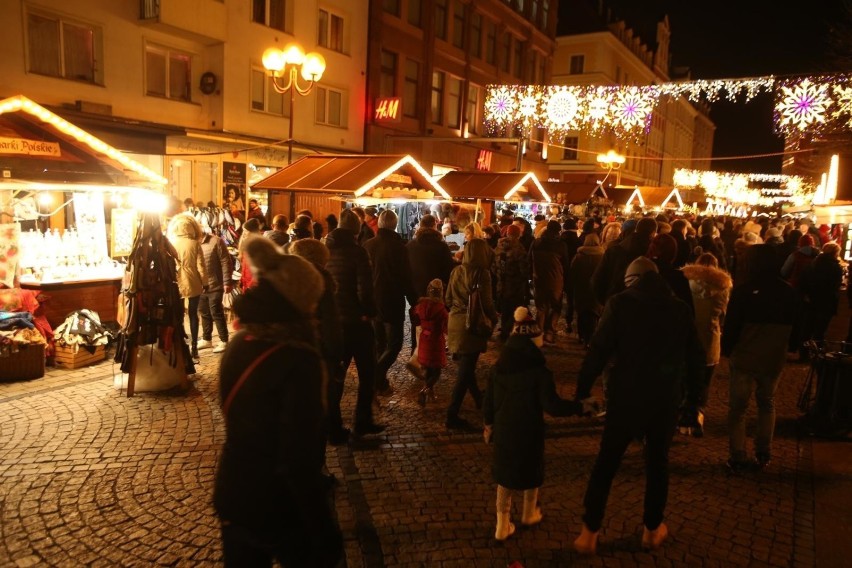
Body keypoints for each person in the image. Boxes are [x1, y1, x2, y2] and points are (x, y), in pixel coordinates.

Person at [214, 238, 343, 567]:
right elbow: (298, 458)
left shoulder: (239, 342)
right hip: (279, 505)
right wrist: (324, 528)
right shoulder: (299, 359)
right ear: (300, 303)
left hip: (235, 492)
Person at [573, 257, 704, 555]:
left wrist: (582, 391)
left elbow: (598, 349)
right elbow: (696, 359)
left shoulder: (620, 304)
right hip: (664, 398)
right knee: (657, 464)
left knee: (606, 463)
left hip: (626, 395)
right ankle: (651, 529)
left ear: (631, 280)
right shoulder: (680, 309)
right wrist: (693, 402)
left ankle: (589, 532)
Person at [483, 306, 580, 541]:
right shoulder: (539, 372)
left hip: (505, 430)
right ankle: (528, 513)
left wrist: (489, 425)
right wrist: (579, 407)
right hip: (529, 431)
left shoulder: (498, 368)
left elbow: (488, 402)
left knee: (505, 478)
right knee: (530, 471)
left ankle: (502, 525)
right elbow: (552, 406)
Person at [722, 244, 799, 472]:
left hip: (746, 355)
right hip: (773, 356)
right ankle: (763, 451)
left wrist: (728, 349)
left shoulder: (744, 291)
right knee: (767, 402)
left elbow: (732, 325)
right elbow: (797, 326)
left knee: (738, 408)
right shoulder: (788, 292)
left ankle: (738, 454)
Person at [325, 208, 386, 437]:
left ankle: (333, 425)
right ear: (355, 229)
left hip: (334, 321)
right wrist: (369, 312)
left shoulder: (325, 249)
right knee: (367, 373)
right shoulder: (357, 252)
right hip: (357, 323)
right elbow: (365, 289)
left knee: (336, 376)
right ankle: (362, 421)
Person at [289, 238, 346, 448]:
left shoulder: (284, 279)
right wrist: (336, 355)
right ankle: (318, 462)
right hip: (317, 352)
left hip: (291, 353)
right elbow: (331, 324)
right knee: (322, 402)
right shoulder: (321, 281)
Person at [444, 238, 498, 430]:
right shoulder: (482, 274)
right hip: (472, 325)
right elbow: (487, 303)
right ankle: (452, 414)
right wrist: (494, 319)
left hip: (456, 322)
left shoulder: (456, 270)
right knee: (465, 372)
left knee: (467, 366)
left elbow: (448, 298)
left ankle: (479, 400)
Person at [363, 209, 418, 396]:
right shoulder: (398, 247)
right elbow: (406, 277)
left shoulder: (368, 245)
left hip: (372, 300)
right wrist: (414, 300)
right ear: (394, 224)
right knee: (394, 344)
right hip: (392, 300)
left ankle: (380, 382)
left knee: (380, 343)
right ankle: (376, 378)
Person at [679, 253, 732, 437]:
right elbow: (723, 315)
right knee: (704, 383)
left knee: (684, 379)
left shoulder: (685, 283)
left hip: (686, 340)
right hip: (709, 341)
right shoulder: (723, 288)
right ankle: (697, 415)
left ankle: (682, 416)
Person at [167, 213, 208, 360]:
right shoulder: (194, 243)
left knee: (178, 315)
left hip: (176, 281)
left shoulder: (170, 242)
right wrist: (205, 283)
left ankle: (180, 344)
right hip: (193, 281)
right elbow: (201, 266)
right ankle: (195, 347)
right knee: (193, 315)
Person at [591, 216, 657, 306]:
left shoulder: (614, 250)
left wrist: (607, 302)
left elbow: (597, 280)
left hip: (613, 304)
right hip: (640, 309)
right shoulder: (652, 255)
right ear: (653, 233)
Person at [529, 220, 570, 344]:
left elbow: (528, 260)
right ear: (558, 231)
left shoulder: (536, 243)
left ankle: (539, 332)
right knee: (556, 306)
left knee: (541, 307)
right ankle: (549, 333)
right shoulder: (561, 245)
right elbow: (566, 264)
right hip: (555, 280)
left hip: (539, 279)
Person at [410, 279, 449, 406]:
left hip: (424, 341)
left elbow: (414, 315)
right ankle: (425, 389)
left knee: (428, 370)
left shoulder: (421, 306)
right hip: (436, 343)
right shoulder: (442, 310)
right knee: (436, 372)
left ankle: (429, 392)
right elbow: (446, 328)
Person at [197, 227, 232, 354]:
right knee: (204, 312)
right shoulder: (194, 242)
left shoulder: (216, 241)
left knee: (216, 311)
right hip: (200, 285)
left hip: (215, 284)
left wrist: (227, 281)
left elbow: (225, 261)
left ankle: (224, 340)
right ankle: (207, 339)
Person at [494, 224, 531, 342]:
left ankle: (504, 330)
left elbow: (493, 266)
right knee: (514, 308)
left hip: (501, 283)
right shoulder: (519, 249)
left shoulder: (499, 247)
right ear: (518, 234)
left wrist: (499, 276)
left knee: (505, 307)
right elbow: (524, 269)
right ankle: (508, 331)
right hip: (515, 284)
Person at [568, 232, 604, 347]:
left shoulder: (579, 256)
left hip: (581, 288)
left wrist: (571, 287)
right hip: (596, 289)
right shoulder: (602, 256)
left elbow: (572, 273)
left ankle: (581, 335)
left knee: (582, 313)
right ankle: (590, 337)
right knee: (593, 314)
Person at [237, 218, 264, 292]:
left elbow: (259, 269)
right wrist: (242, 279)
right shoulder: (246, 245)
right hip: (246, 282)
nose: (244, 233)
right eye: (244, 231)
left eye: (246, 231)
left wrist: (252, 285)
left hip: (253, 285)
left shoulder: (258, 246)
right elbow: (244, 264)